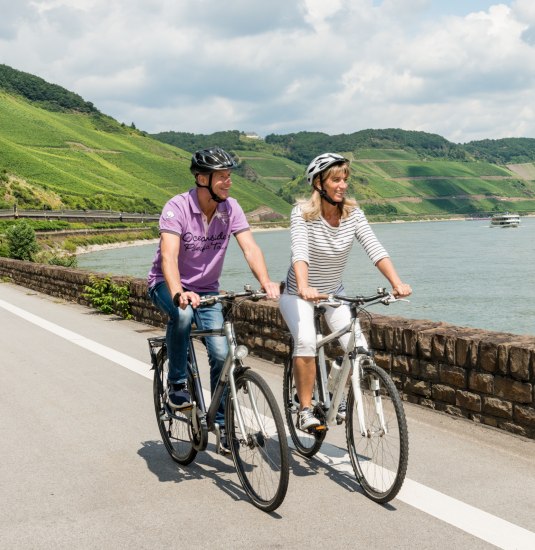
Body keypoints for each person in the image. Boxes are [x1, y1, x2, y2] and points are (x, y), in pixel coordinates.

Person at [147, 146, 280, 452]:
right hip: (167, 285)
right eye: (222, 176)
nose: (228, 182)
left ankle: (220, 422)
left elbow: (250, 247)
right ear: (202, 179)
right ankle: (177, 385)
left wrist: (265, 281)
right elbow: (168, 257)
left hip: (207, 291)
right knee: (180, 316)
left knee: (222, 354)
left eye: (229, 176)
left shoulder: (230, 208)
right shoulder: (176, 207)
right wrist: (179, 291)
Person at [279, 153, 412, 431]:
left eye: (345, 180)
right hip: (298, 294)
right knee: (305, 341)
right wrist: (304, 287)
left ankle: (335, 394)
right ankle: (305, 409)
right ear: (319, 183)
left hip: (333, 293)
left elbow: (374, 248)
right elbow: (299, 251)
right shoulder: (302, 214)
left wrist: (397, 282)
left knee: (360, 349)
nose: (342, 185)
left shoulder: (354, 214)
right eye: (335, 180)